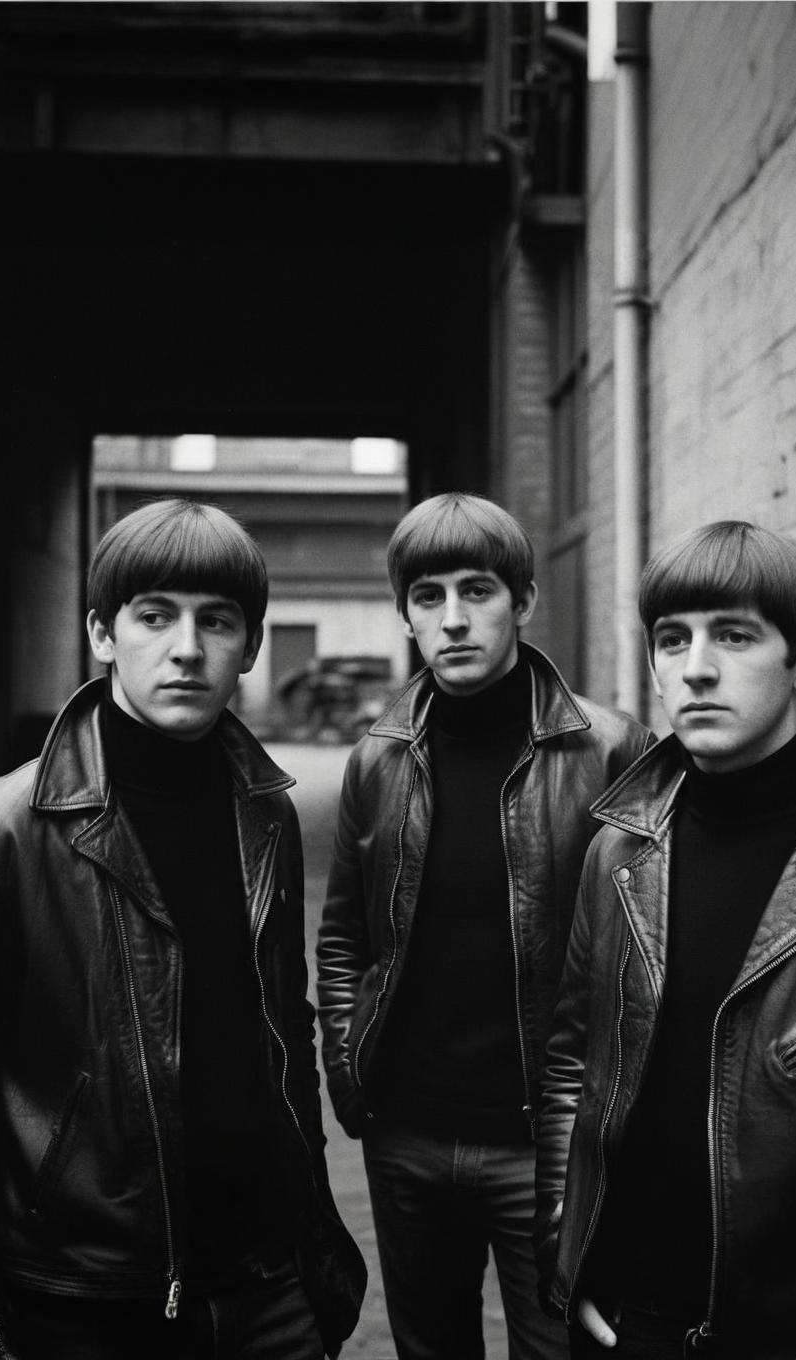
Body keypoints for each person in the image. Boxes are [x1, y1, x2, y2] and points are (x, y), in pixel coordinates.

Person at [535, 520, 796, 1360]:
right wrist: (569, 1249)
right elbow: (570, 1067)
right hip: (626, 1325)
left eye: (734, 636)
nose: (695, 667)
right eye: (672, 639)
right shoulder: (618, 849)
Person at [0, 498, 365, 1360]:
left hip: (266, 1286)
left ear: (250, 646)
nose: (187, 648)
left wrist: (311, 1245)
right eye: (154, 617)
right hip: (85, 1300)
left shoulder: (266, 815)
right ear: (103, 634)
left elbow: (283, 1033)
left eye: (216, 621)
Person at [316, 492, 652, 1360]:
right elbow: (346, 935)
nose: (454, 619)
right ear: (405, 616)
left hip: (548, 1148)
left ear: (524, 602)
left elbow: (650, 950)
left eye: (479, 592)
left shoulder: (612, 751)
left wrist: (606, 1128)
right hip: (408, 1140)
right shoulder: (377, 759)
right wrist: (352, 1078)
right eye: (429, 597)